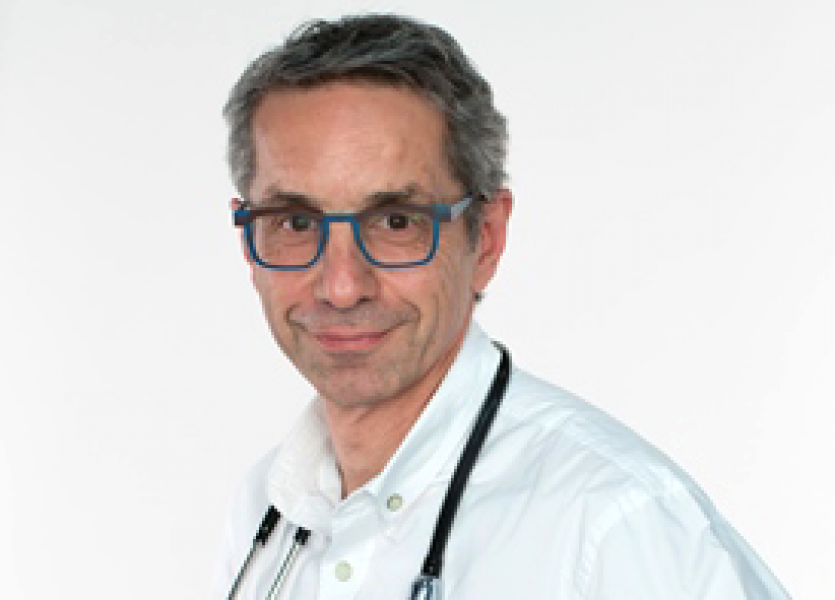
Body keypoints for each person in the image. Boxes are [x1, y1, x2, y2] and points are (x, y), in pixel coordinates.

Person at [216, 13, 790, 599]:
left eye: (395, 222)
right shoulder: (270, 508)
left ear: (485, 237)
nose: (341, 286)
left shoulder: (611, 524)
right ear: (249, 243)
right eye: (295, 222)